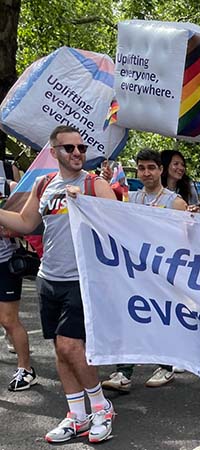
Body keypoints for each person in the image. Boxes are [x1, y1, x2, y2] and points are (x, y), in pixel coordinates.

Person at [0, 125, 117, 443]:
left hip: (83, 280)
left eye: (81, 148)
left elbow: (120, 226)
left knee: (71, 346)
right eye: (69, 148)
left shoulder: (95, 184)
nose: (77, 153)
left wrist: (89, 205)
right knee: (60, 350)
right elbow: (26, 223)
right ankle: (76, 415)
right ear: (54, 153)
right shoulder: (44, 184)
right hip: (48, 278)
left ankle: (101, 408)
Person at [102, 149, 187, 393]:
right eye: (141, 168)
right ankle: (124, 372)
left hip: (162, 274)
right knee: (128, 318)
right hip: (135, 273)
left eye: (151, 167)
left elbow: (184, 241)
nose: (146, 173)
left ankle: (165, 366)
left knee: (161, 318)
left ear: (161, 169)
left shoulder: (175, 202)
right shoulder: (132, 200)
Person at [0, 175, 36, 392]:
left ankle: (26, 369)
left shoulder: (5, 183)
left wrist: (8, 226)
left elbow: (27, 201)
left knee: (8, 320)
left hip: (4, 263)